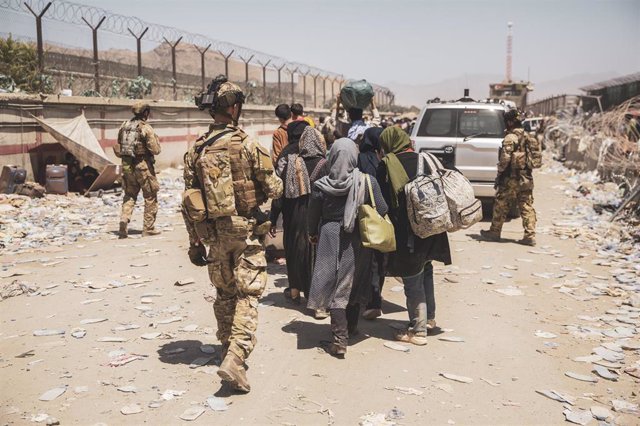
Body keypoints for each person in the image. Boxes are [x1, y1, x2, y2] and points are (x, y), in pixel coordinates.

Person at [182, 75, 283, 393]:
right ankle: (236, 359)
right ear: (235, 108)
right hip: (246, 233)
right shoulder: (248, 144)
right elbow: (273, 187)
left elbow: (189, 202)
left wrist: (194, 244)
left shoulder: (196, 151)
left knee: (224, 295)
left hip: (214, 236)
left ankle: (227, 349)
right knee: (248, 296)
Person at [307, 138, 388, 358]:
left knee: (333, 285)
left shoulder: (321, 184)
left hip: (329, 235)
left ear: (332, 156)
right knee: (352, 282)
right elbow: (382, 207)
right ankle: (350, 330)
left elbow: (312, 214)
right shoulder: (367, 181)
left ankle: (339, 338)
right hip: (358, 238)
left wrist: (312, 233)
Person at [376, 127, 452, 345]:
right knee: (426, 269)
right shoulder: (426, 159)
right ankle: (428, 319)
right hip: (432, 227)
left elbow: (382, 201)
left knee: (412, 277)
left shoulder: (388, 165)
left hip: (408, 232)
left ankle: (418, 331)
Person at [271, 125, 327, 306]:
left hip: (294, 217)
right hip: (318, 218)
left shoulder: (291, 162)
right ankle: (317, 298)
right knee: (318, 256)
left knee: (295, 251)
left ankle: (295, 290)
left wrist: (273, 219)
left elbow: (278, 194)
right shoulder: (325, 165)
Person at [480, 109, 537, 246]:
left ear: (510, 122)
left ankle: (494, 232)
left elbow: (505, 159)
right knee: (526, 206)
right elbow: (536, 160)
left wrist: (499, 172)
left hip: (510, 179)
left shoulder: (510, 138)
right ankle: (530, 236)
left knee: (501, 204)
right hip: (526, 178)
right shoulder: (529, 137)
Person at [114, 101, 161, 238]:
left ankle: (124, 219)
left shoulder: (124, 126)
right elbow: (155, 150)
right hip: (143, 166)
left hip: (128, 165)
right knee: (150, 196)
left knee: (130, 194)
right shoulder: (146, 128)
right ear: (146, 113)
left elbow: (119, 145)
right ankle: (148, 228)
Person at [357, 127, 386, 320]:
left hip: (363, 215)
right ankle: (375, 300)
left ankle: (367, 299)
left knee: (364, 260)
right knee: (379, 261)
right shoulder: (383, 160)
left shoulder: (360, 159)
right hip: (380, 215)